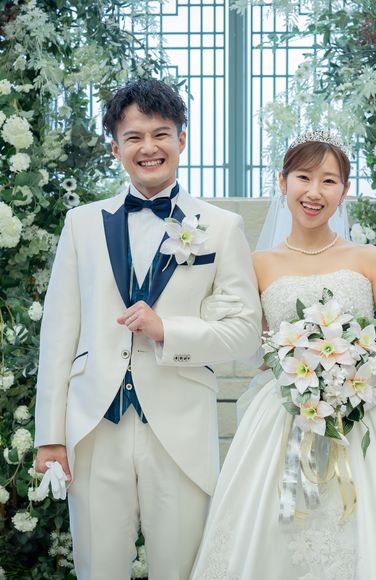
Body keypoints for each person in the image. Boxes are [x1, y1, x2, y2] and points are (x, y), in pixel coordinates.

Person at [191, 131, 376, 579]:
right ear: (282, 182)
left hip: (368, 413)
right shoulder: (258, 263)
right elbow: (259, 352)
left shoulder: (369, 259)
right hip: (287, 416)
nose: (314, 192)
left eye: (329, 181)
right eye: (303, 177)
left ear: (344, 190)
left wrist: (363, 392)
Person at [33, 78, 262, 580]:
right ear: (115, 147)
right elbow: (58, 335)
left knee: (180, 569)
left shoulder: (221, 227)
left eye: (161, 134)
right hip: (94, 425)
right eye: (133, 136)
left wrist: (169, 331)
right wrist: (49, 436)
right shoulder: (81, 224)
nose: (149, 147)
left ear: (182, 139)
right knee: (98, 568)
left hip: (180, 426)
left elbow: (246, 333)